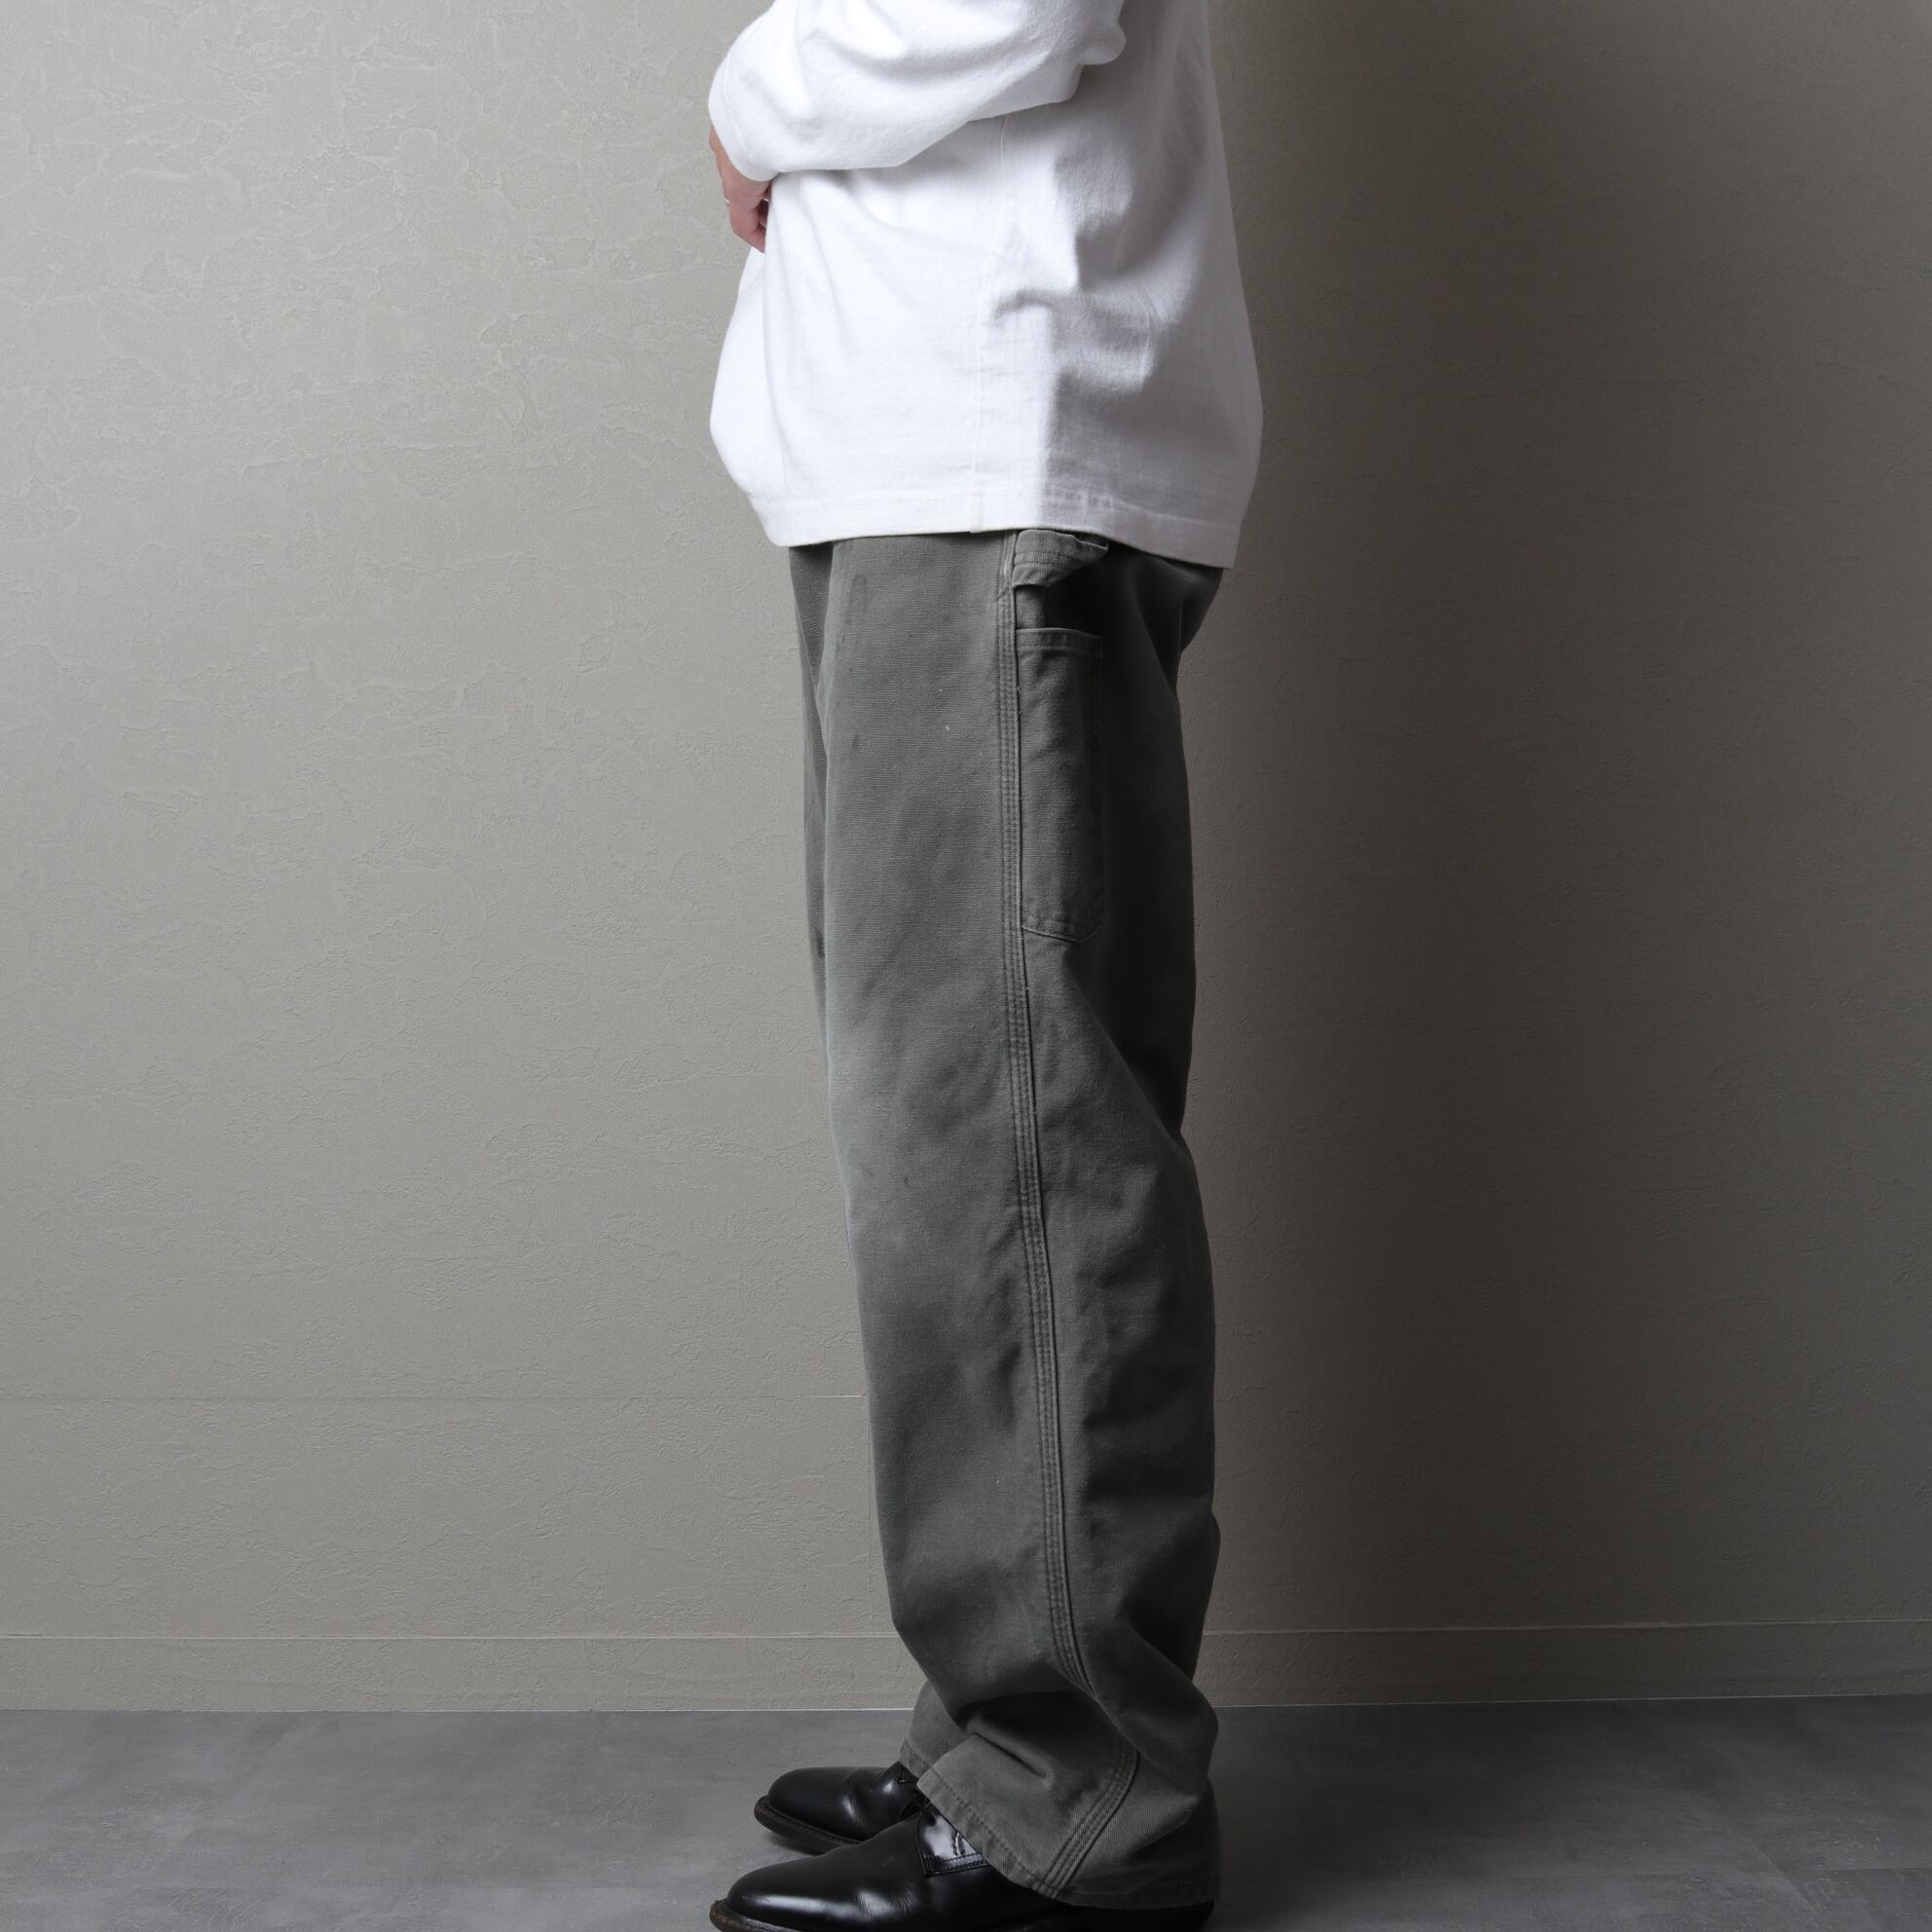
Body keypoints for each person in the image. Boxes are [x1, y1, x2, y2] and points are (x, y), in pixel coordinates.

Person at [702, 5, 1262, 1927]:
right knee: (972, 1141)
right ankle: (999, 1739)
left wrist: (748, 99)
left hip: (982, 446)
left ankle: (1071, 1797)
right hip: (942, 445)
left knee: (1005, 1148)